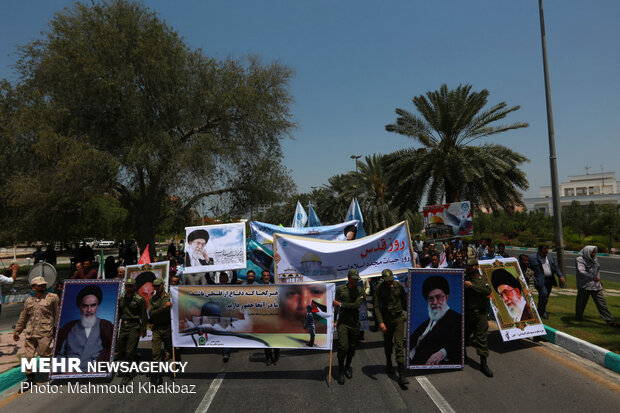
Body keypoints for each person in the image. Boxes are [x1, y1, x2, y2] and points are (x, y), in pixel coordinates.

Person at [13, 276, 59, 391]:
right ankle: (30, 379)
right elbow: (23, 317)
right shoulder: (29, 301)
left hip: (45, 333)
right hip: (31, 333)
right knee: (28, 357)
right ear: (33, 288)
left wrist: (58, 330)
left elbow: (58, 315)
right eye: (39, 285)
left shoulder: (52, 298)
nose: (43, 286)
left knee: (45, 354)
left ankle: (58, 364)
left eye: (44, 284)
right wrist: (17, 331)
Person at [55, 284, 114, 372]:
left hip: (95, 372)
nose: (89, 310)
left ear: (97, 306)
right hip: (70, 372)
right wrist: (64, 370)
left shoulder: (106, 326)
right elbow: (59, 354)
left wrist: (100, 368)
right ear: (80, 307)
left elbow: (110, 350)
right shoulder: (68, 328)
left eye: (93, 305)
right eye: (85, 306)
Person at [409, 276, 461, 366]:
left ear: (446, 297)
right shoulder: (429, 321)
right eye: (431, 298)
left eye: (438, 297)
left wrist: (443, 352)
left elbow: (458, 342)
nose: (435, 302)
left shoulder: (456, 318)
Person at [374, 269, 408, 387]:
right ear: (383, 279)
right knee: (388, 343)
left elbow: (404, 298)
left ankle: (401, 373)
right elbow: (377, 306)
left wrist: (409, 311)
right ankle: (388, 362)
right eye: (387, 281)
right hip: (387, 319)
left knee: (399, 344)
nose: (390, 282)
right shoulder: (379, 288)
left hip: (398, 318)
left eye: (391, 280)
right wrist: (381, 322)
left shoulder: (398, 285)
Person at [333, 269, 364, 384]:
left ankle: (348, 366)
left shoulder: (360, 290)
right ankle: (341, 370)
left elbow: (356, 305)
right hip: (343, 323)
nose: (356, 280)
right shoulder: (340, 290)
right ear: (349, 278)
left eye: (357, 278)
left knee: (352, 347)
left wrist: (341, 304)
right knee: (343, 346)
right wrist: (333, 319)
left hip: (354, 323)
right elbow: (335, 306)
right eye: (354, 278)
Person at [464, 259, 493, 377]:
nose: (469, 268)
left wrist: (472, 286)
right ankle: (463, 356)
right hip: (468, 313)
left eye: (471, 266)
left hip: (481, 314)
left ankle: (483, 364)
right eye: (468, 266)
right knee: (464, 335)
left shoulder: (482, 279)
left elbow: (487, 291)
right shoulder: (464, 279)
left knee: (482, 338)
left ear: (476, 266)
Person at [575, 246, 618, 327]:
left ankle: (609, 320)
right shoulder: (580, 259)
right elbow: (581, 271)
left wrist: (599, 281)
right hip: (585, 285)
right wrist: (592, 277)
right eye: (592, 252)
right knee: (581, 303)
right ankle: (578, 316)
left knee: (602, 303)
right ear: (588, 252)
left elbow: (597, 271)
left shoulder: (595, 259)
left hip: (596, 286)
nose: (594, 254)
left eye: (595, 252)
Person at [117, 278, 148, 384]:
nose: (128, 288)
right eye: (127, 286)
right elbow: (119, 314)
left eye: (131, 286)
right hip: (123, 326)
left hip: (134, 326)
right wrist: (116, 325)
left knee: (129, 351)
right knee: (120, 349)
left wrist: (144, 329)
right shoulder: (121, 299)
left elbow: (144, 316)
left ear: (135, 287)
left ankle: (127, 375)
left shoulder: (140, 299)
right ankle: (135, 357)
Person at [529, 245, 566, 319]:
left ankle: (541, 311)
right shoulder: (532, 258)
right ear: (539, 251)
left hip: (549, 280)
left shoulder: (550, 257)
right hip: (539, 280)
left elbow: (555, 267)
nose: (545, 254)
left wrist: (560, 276)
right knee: (544, 294)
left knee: (545, 297)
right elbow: (527, 267)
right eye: (543, 253)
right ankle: (541, 312)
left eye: (546, 253)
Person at [149, 278, 172, 384]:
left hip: (168, 328)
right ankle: (158, 375)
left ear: (163, 285)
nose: (157, 288)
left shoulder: (170, 297)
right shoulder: (152, 299)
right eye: (155, 286)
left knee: (170, 351)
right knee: (155, 353)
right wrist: (164, 307)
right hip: (157, 329)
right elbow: (152, 314)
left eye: (158, 286)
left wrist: (171, 305)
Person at [262, 274, 280, 365]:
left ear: (269, 277)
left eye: (267, 275)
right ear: (262, 277)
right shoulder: (257, 288)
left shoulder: (275, 287)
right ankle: (268, 357)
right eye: (264, 275)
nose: (266, 277)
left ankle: (276, 356)